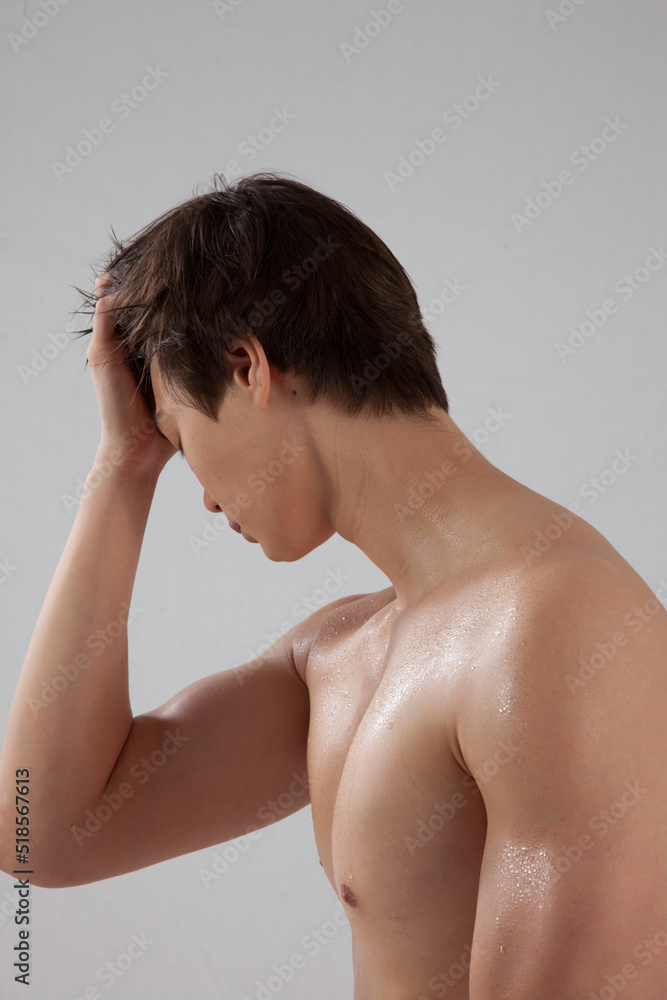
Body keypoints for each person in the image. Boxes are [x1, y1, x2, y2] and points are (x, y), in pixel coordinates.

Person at [1, 172, 666, 998]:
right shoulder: (341, 658)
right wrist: (122, 468)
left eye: (177, 436)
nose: (201, 494)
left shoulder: (556, 625)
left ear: (246, 365)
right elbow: (41, 834)